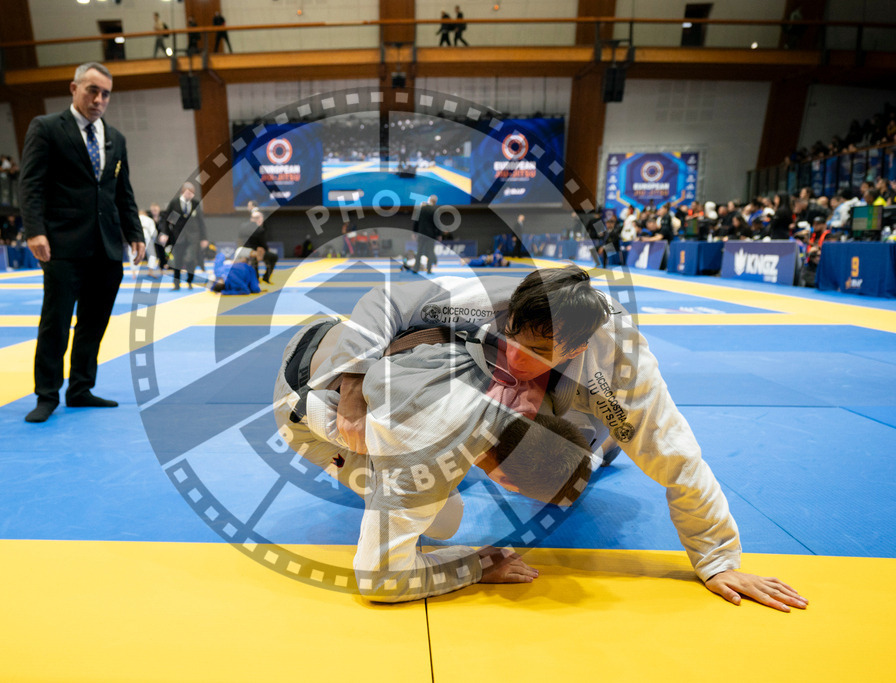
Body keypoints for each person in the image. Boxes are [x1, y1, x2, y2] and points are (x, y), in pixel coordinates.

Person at [325, 265, 808, 612]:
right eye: (513, 335)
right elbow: (381, 301)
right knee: (473, 400)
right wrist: (351, 382)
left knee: (593, 444)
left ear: (574, 346)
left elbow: (678, 458)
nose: (515, 354)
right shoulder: (486, 299)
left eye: (534, 350)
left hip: (586, 398)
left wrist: (718, 559)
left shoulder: (620, 363)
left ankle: (603, 443)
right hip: (496, 367)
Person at [274, 316, 597, 601]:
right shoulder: (422, 468)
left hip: (339, 331)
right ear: (509, 486)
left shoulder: (512, 376)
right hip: (298, 391)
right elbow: (379, 581)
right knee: (444, 520)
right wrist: (474, 566)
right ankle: (374, 463)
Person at [20, 62, 146, 424]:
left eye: (105, 93)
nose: (99, 99)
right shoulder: (46, 128)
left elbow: (123, 192)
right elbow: (31, 184)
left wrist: (134, 234)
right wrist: (34, 230)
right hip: (62, 244)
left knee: (94, 323)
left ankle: (80, 389)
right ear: (73, 88)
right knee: (55, 323)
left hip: (106, 248)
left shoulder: (115, 138)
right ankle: (46, 395)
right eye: (92, 90)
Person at [160, 181, 208, 290]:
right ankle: (176, 284)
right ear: (183, 192)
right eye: (188, 193)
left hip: (193, 237)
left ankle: (190, 281)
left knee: (191, 259)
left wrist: (204, 238)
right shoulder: (175, 203)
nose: (190, 196)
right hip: (178, 237)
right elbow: (167, 220)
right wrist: (165, 233)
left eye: (192, 194)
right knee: (177, 261)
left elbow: (201, 222)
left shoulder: (195, 204)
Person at [413, 195, 439, 274]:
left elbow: (416, 221)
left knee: (419, 251)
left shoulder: (421, 209)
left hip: (421, 233)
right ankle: (429, 269)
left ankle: (416, 268)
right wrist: (439, 234)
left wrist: (414, 232)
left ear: (429, 200)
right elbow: (437, 224)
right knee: (430, 251)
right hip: (431, 234)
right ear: (435, 202)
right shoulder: (434, 210)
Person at [131, 206, 158, 280]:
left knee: (133, 254)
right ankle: (150, 271)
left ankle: (134, 273)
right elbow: (153, 232)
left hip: (136, 236)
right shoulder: (149, 219)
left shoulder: (135, 218)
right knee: (152, 255)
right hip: (147, 236)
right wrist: (153, 240)